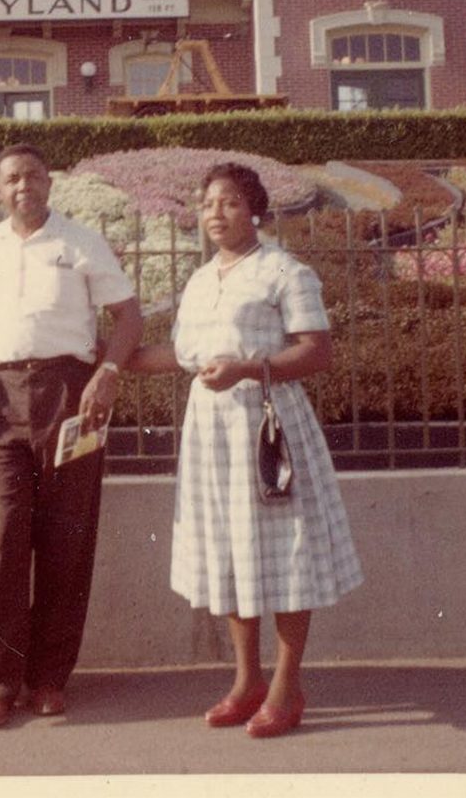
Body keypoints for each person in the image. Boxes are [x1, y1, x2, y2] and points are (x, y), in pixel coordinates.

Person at [126, 162, 362, 738]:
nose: (215, 213)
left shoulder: (285, 271)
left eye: (229, 202)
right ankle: (246, 680)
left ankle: (286, 684)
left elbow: (317, 352)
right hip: (212, 432)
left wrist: (249, 370)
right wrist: (106, 359)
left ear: (254, 210)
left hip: (268, 427)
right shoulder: (203, 280)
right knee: (233, 551)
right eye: (207, 203)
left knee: (285, 552)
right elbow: (181, 357)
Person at [0, 143, 143, 728]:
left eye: (31, 176)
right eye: (10, 179)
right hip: (2, 400)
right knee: (6, 538)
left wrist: (107, 373)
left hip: (70, 396)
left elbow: (129, 317)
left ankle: (50, 676)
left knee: (66, 540)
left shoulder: (80, 241)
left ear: (49, 183)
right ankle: (1, 679)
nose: (22, 186)